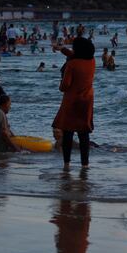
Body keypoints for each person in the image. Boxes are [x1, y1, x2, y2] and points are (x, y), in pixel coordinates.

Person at [53, 37, 96, 170]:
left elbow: (64, 86)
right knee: (84, 134)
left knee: (68, 133)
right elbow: (75, 55)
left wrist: (60, 85)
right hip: (87, 101)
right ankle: (85, 165)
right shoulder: (92, 61)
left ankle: (67, 164)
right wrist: (62, 49)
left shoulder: (72, 64)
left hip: (71, 101)